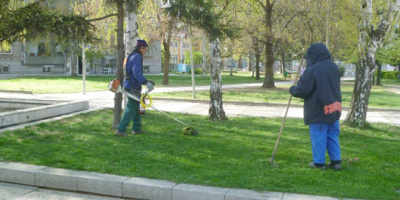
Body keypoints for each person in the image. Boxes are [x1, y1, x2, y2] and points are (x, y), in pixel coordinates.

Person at [289, 43, 342, 170]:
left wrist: (293, 89)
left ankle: (319, 163)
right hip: (333, 107)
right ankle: (336, 161)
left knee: (318, 135)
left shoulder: (312, 70)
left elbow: (302, 90)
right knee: (332, 134)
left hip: (318, 109)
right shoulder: (334, 67)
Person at [115, 39, 155, 136]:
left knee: (136, 107)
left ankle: (136, 129)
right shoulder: (137, 57)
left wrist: (146, 81)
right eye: (145, 49)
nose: (146, 51)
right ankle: (120, 130)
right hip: (133, 86)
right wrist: (146, 82)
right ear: (141, 48)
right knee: (131, 107)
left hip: (130, 84)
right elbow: (137, 73)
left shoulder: (132, 55)